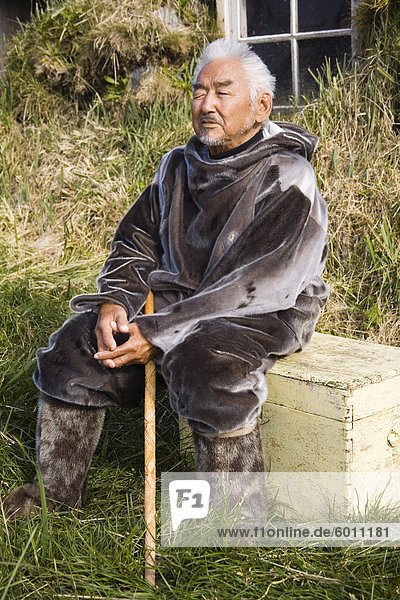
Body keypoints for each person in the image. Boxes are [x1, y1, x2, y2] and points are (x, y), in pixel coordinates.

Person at [3, 38, 329, 519]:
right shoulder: (177, 165)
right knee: (78, 344)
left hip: (261, 309)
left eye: (222, 91)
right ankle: (54, 501)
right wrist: (117, 300)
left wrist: (159, 334)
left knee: (209, 363)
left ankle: (236, 523)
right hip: (178, 301)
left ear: (261, 107)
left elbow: (259, 282)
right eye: (199, 92)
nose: (206, 104)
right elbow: (136, 241)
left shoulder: (288, 175)